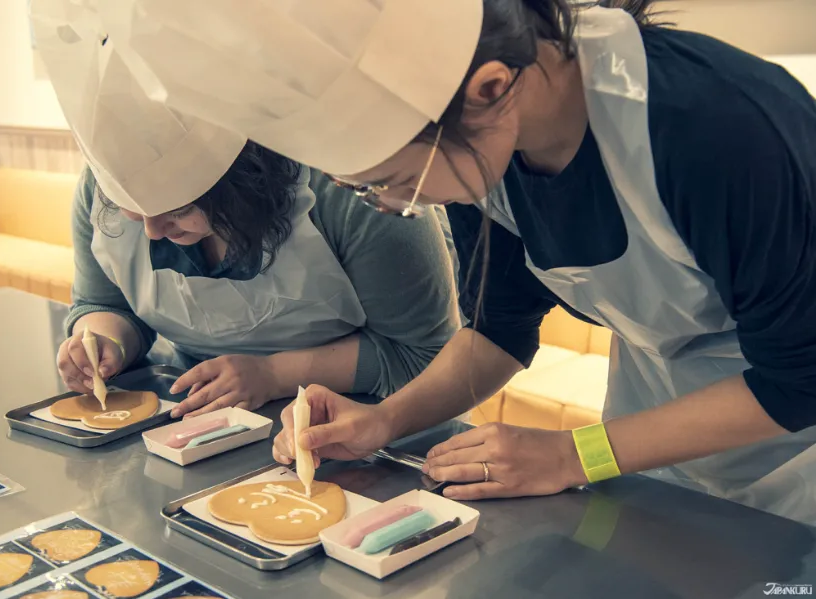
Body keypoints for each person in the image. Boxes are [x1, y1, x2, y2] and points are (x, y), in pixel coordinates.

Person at [116, 0, 816, 524]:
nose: (389, 205)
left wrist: (575, 455)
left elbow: (797, 379)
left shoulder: (717, 131)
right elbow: (500, 330)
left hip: (796, 451)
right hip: (652, 425)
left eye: (391, 183)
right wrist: (382, 420)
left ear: (489, 87)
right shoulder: (488, 144)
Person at [31, 5, 461, 417]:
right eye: (131, 210)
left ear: (246, 185)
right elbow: (105, 303)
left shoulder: (351, 193)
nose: (153, 232)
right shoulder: (98, 194)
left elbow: (425, 356)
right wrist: (102, 343)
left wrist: (274, 375)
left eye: (178, 210)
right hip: (204, 416)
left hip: (371, 419)